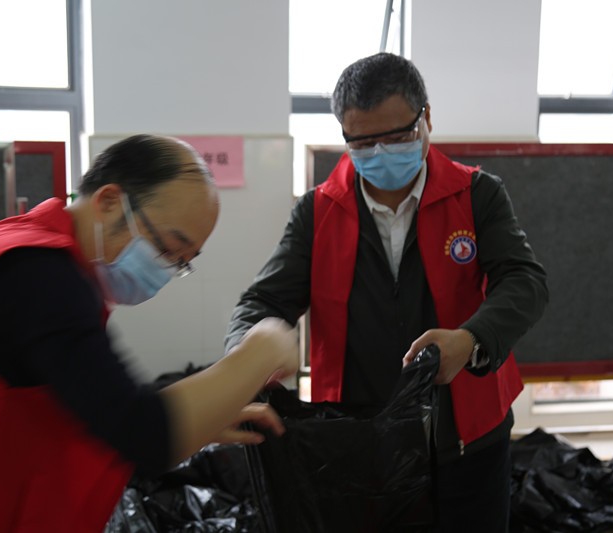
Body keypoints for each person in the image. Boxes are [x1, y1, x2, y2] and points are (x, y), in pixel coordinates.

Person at [0, 134, 299, 533]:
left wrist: (203, 418)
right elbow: (144, 432)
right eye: (166, 248)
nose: (164, 270)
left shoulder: (20, 246)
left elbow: (91, 411)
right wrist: (261, 348)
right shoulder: (38, 273)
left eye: (181, 262)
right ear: (110, 201)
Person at [225, 52, 549, 532]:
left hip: (469, 435)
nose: (380, 153)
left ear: (427, 117)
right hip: (363, 442)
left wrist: (471, 340)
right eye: (362, 142)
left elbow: (525, 281)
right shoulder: (317, 212)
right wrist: (246, 357)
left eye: (397, 137)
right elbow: (262, 302)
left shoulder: (477, 195)